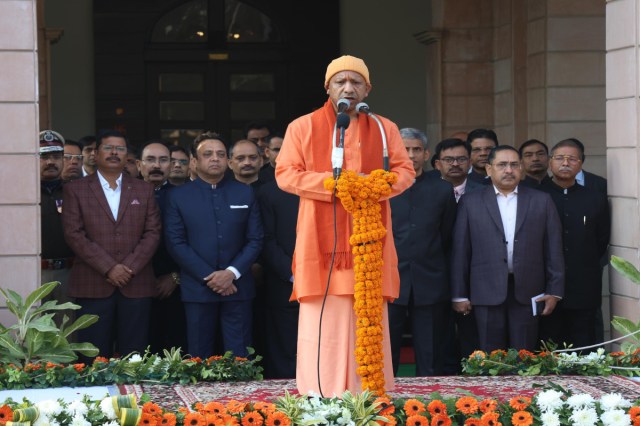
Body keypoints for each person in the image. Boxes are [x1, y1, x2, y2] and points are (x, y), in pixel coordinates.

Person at [275, 55, 414, 395]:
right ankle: (320, 393)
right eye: (341, 81)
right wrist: (333, 185)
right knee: (325, 324)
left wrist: (374, 186)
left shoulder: (384, 128)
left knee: (368, 321)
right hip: (320, 248)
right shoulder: (302, 127)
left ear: (368, 88)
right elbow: (285, 174)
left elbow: (405, 172)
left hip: (370, 244)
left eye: (356, 82)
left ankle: (369, 393)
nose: (348, 88)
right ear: (328, 87)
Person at [450, 145, 565, 352]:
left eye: (514, 165)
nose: (509, 170)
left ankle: (523, 387)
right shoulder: (471, 202)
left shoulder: (541, 200)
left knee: (525, 355)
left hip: (528, 290)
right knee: (489, 357)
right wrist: (459, 294)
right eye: (502, 165)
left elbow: (553, 249)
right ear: (488, 169)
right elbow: (460, 251)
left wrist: (554, 291)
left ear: (521, 169)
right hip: (485, 290)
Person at [62, 130, 161, 359]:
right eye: (108, 148)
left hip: (136, 283)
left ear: (128, 156)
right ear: (95, 154)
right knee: (92, 357)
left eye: (120, 149)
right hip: (92, 284)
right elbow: (74, 234)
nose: (114, 153)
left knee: (135, 357)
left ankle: (135, 396)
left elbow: (153, 232)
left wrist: (129, 268)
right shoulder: (75, 189)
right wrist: (109, 267)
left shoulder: (143, 189)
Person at [164, 131, 263, 358]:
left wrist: (231, 273)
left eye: (220, 154)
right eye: (208, 154)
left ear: (228, 161)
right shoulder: (178, 196)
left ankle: (241, 395)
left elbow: (255, 239)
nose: (215, 158)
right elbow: (176, 243)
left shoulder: (244, 193)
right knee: (199, 355)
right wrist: (211, 276)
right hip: (198, 288)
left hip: (238, 287)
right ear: (194, 161)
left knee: (240, 355)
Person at [389, 128, 457, 376]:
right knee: (387, 352)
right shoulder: (382, 186)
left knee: (430, 355)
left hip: (431, 279)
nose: (411, 154)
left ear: (427, 153)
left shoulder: (442, 189)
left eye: (416, 149)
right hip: (390, 281)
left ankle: (431, 406)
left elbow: (448, 235)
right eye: (405, 149)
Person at [539, 139, 610, 349]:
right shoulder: (536, 195)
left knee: (583, 341)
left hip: (583, 284)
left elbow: (601, 240)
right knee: (547, 343)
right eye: (559, 158)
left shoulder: (595, 198)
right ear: (550, 162)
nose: (565, 163)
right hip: (545, 283)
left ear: (581, 163)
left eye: (572, 158)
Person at [137, 141, 187, 353]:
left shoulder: (185, 196)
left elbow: (197, 242)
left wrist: (176, 276)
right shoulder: (124, 195)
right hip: (134, 281)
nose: (156, 165)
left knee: (179, 348)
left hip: (177, 283)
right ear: (139, 165)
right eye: (150, 160)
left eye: (163, 160)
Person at [256, 136, 300, 378]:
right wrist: (292, 272)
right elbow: (266, 238)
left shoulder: (322, 188)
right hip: (284, 281)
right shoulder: (268, 192)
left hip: (323, 281)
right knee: (283, 347)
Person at [39, 130, 76, 324]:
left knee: (68, 334)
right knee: (33, 335)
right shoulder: (23, 193)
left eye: (56, 156)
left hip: (69, 272)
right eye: (44, 156)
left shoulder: (75, 192)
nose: (50, 162)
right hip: (36, 272)